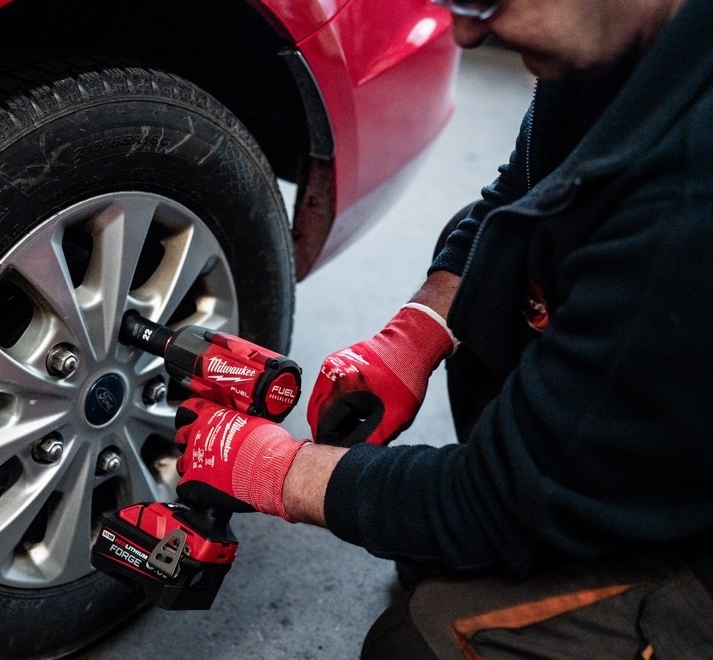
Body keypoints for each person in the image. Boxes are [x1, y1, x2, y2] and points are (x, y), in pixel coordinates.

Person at [171, 0, 713, 656]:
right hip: (668, 417)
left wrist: (278, 470)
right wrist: (417, 330)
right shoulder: (615, 46)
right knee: (494, 265)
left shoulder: (688, 206)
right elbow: (521, 192)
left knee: (417, 641)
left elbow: (498, 501)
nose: (466, 31)